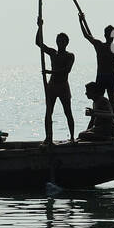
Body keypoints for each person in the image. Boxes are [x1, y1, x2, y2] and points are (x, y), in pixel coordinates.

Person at [36, 17, 75, 145]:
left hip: (63, 86)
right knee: (49, 112)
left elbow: (66, 70)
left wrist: (50, 72)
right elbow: (39, 43)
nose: (60, 43)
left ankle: (72, 138)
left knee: (67, 111)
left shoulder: (70, 55)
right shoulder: (53, 53)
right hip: (52, 86)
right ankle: (48, 137)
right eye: (58, 40)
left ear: (66, 43)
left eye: (62, 41)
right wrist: (40, 27)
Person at [79, 12, 114, 115]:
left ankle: (112, 124)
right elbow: (87, 36)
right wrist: (81, 21)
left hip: (110, 77)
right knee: (98, 101)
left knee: (112, 103)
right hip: (102, 76)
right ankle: (99, 121)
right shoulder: (99, 45)